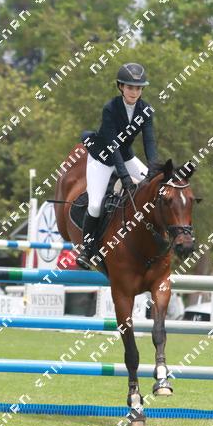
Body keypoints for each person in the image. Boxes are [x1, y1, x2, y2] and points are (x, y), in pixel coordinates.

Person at [76, 62, 158, 270]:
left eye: (138, 88)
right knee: (95, 205)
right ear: (121, 87)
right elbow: (113, 147)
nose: (134, 92)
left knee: (156, 187)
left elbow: (149, 141)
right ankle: (87, 250)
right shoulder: (110, 108)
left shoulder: (145, 110)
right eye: (130, 87)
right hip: (102, 157)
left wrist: (154, 169)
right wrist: (125, 177)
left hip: (126, 156)